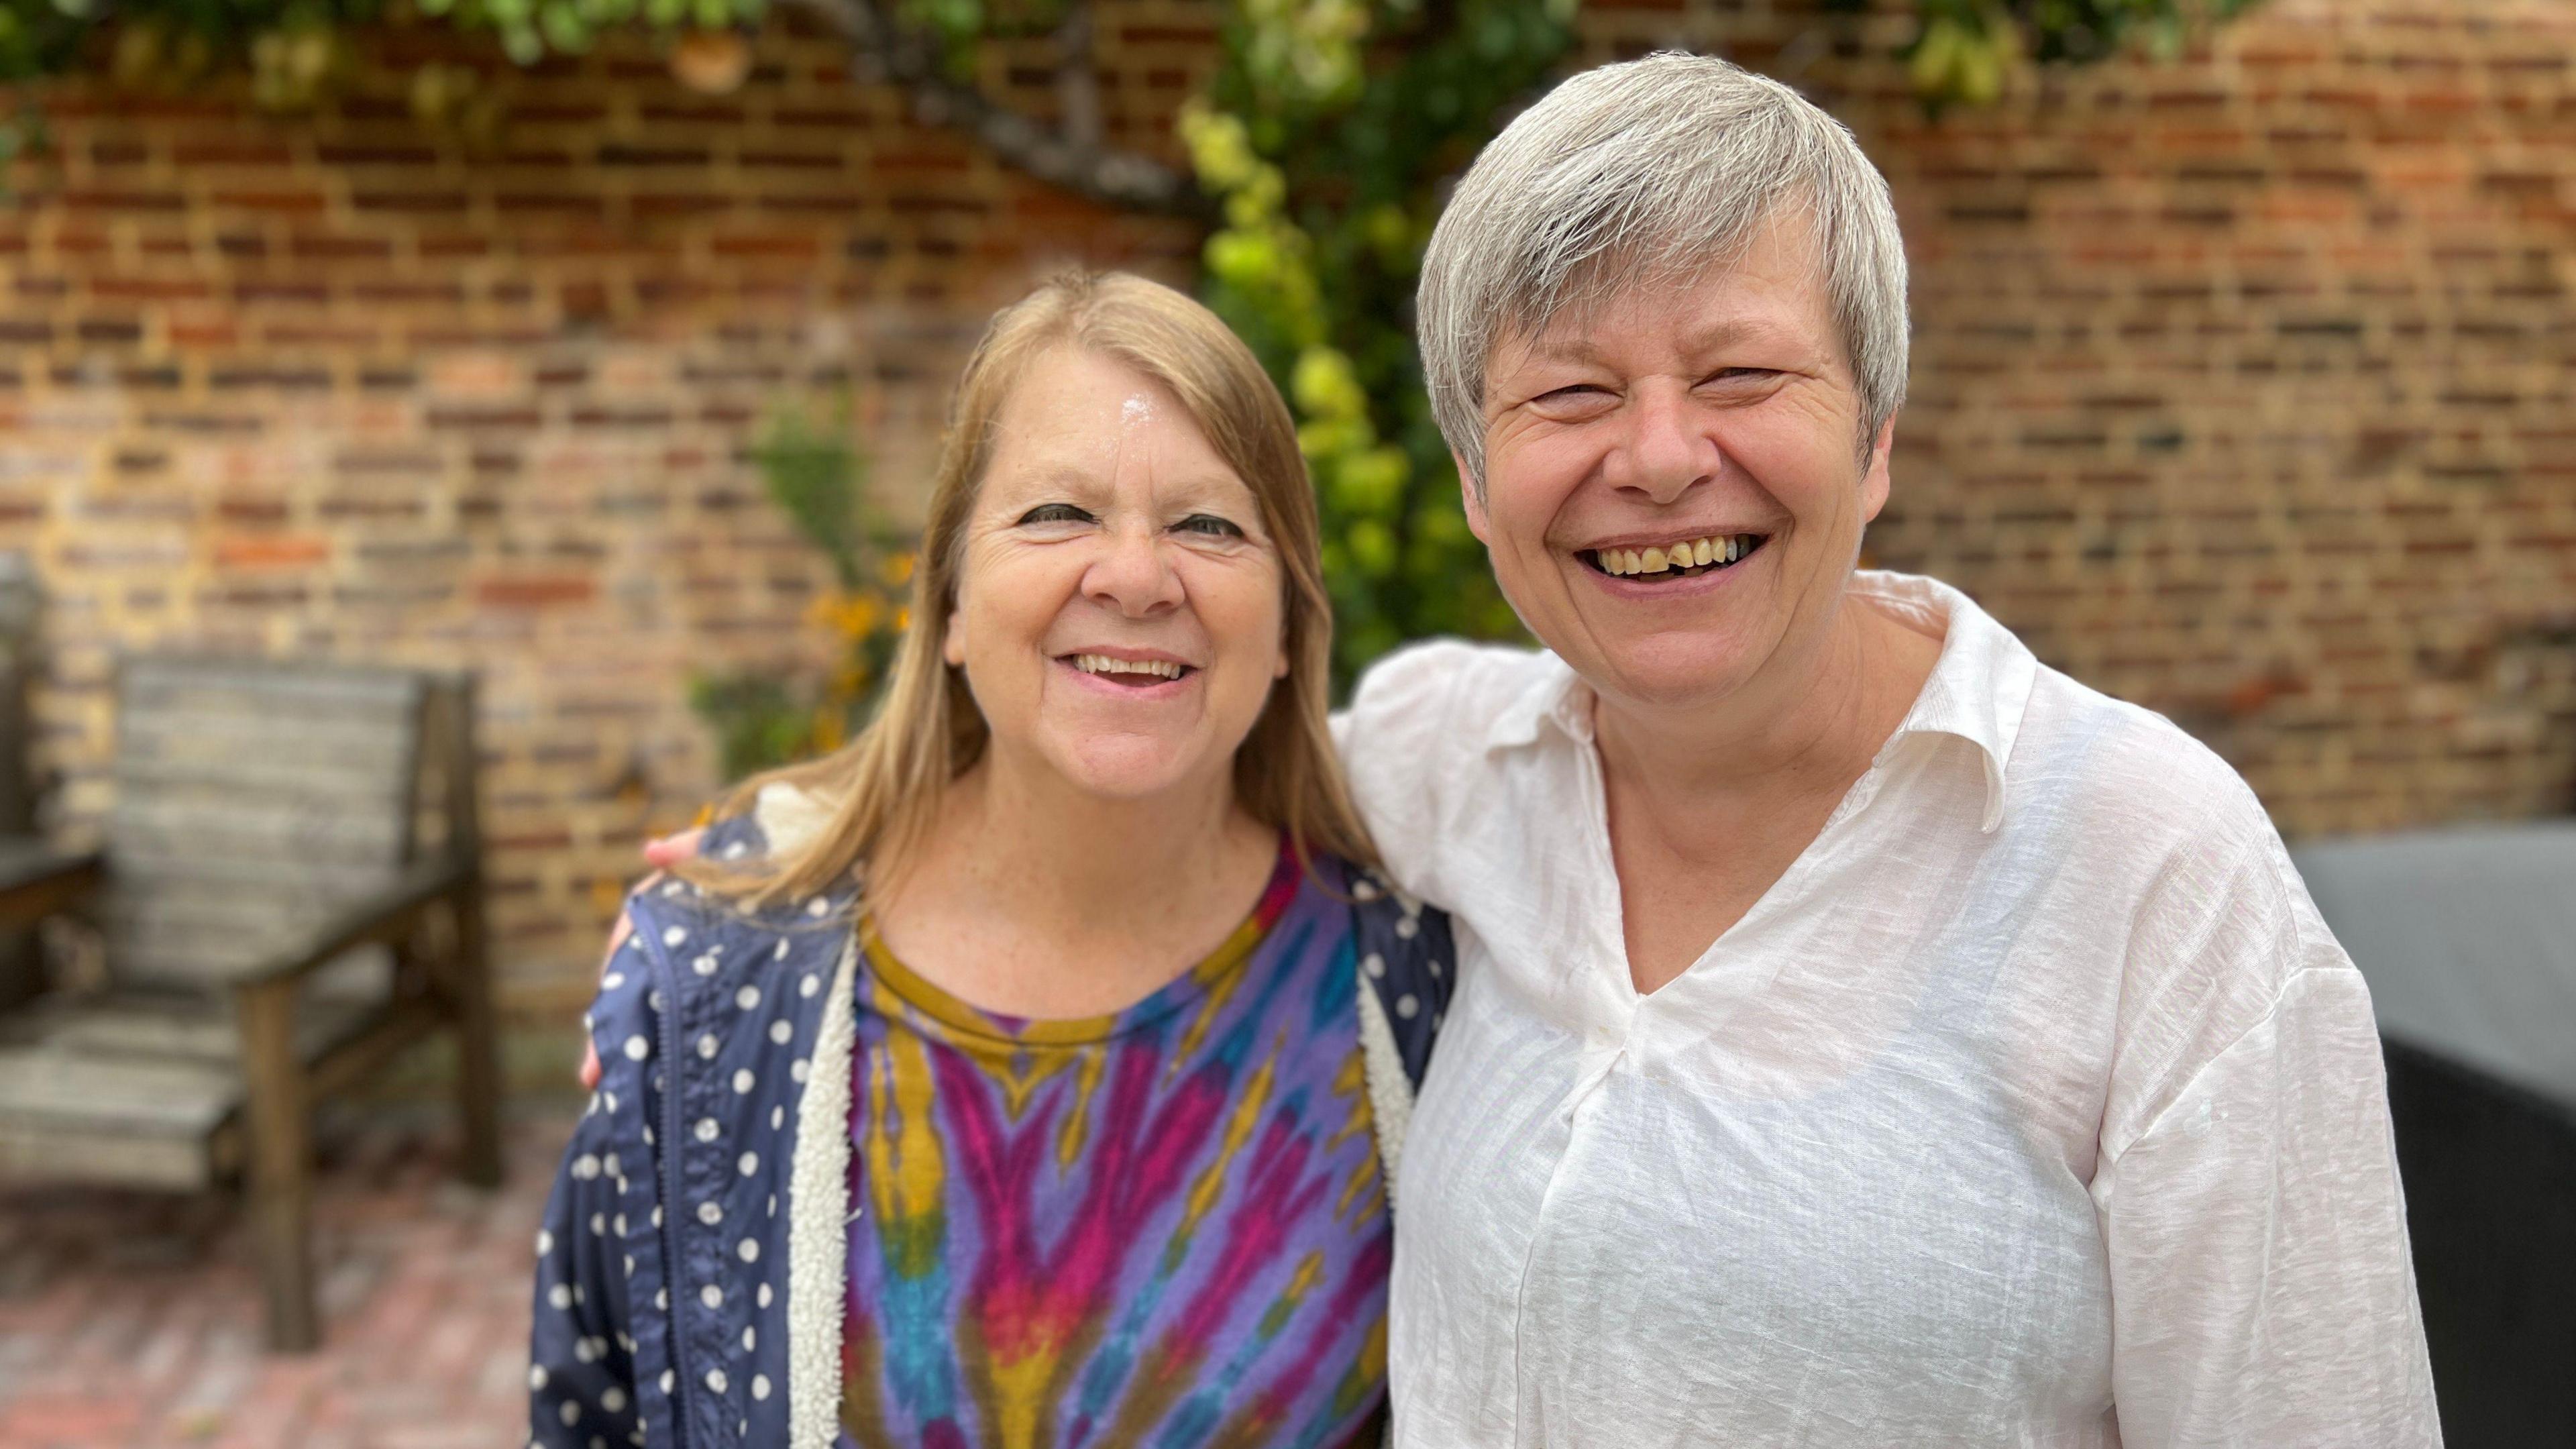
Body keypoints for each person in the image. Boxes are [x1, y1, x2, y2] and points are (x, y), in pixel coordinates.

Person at [1332, 52, 2440, 1446]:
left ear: (1874, 440)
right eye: (1570, 394)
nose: (1663, 456)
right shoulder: (1448, 760)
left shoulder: (2149, 867)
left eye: (1740, 373)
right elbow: (1129, 802)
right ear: (1475, 487)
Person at [525, 271, 1452, 1449]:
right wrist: (717, 922)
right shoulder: (715, 986)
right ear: (952, 607)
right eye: (1057, 514)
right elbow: (589, 1414)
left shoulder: (1416, 976)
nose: (1133, 576)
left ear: (1286, 628)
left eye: (1209, 525)